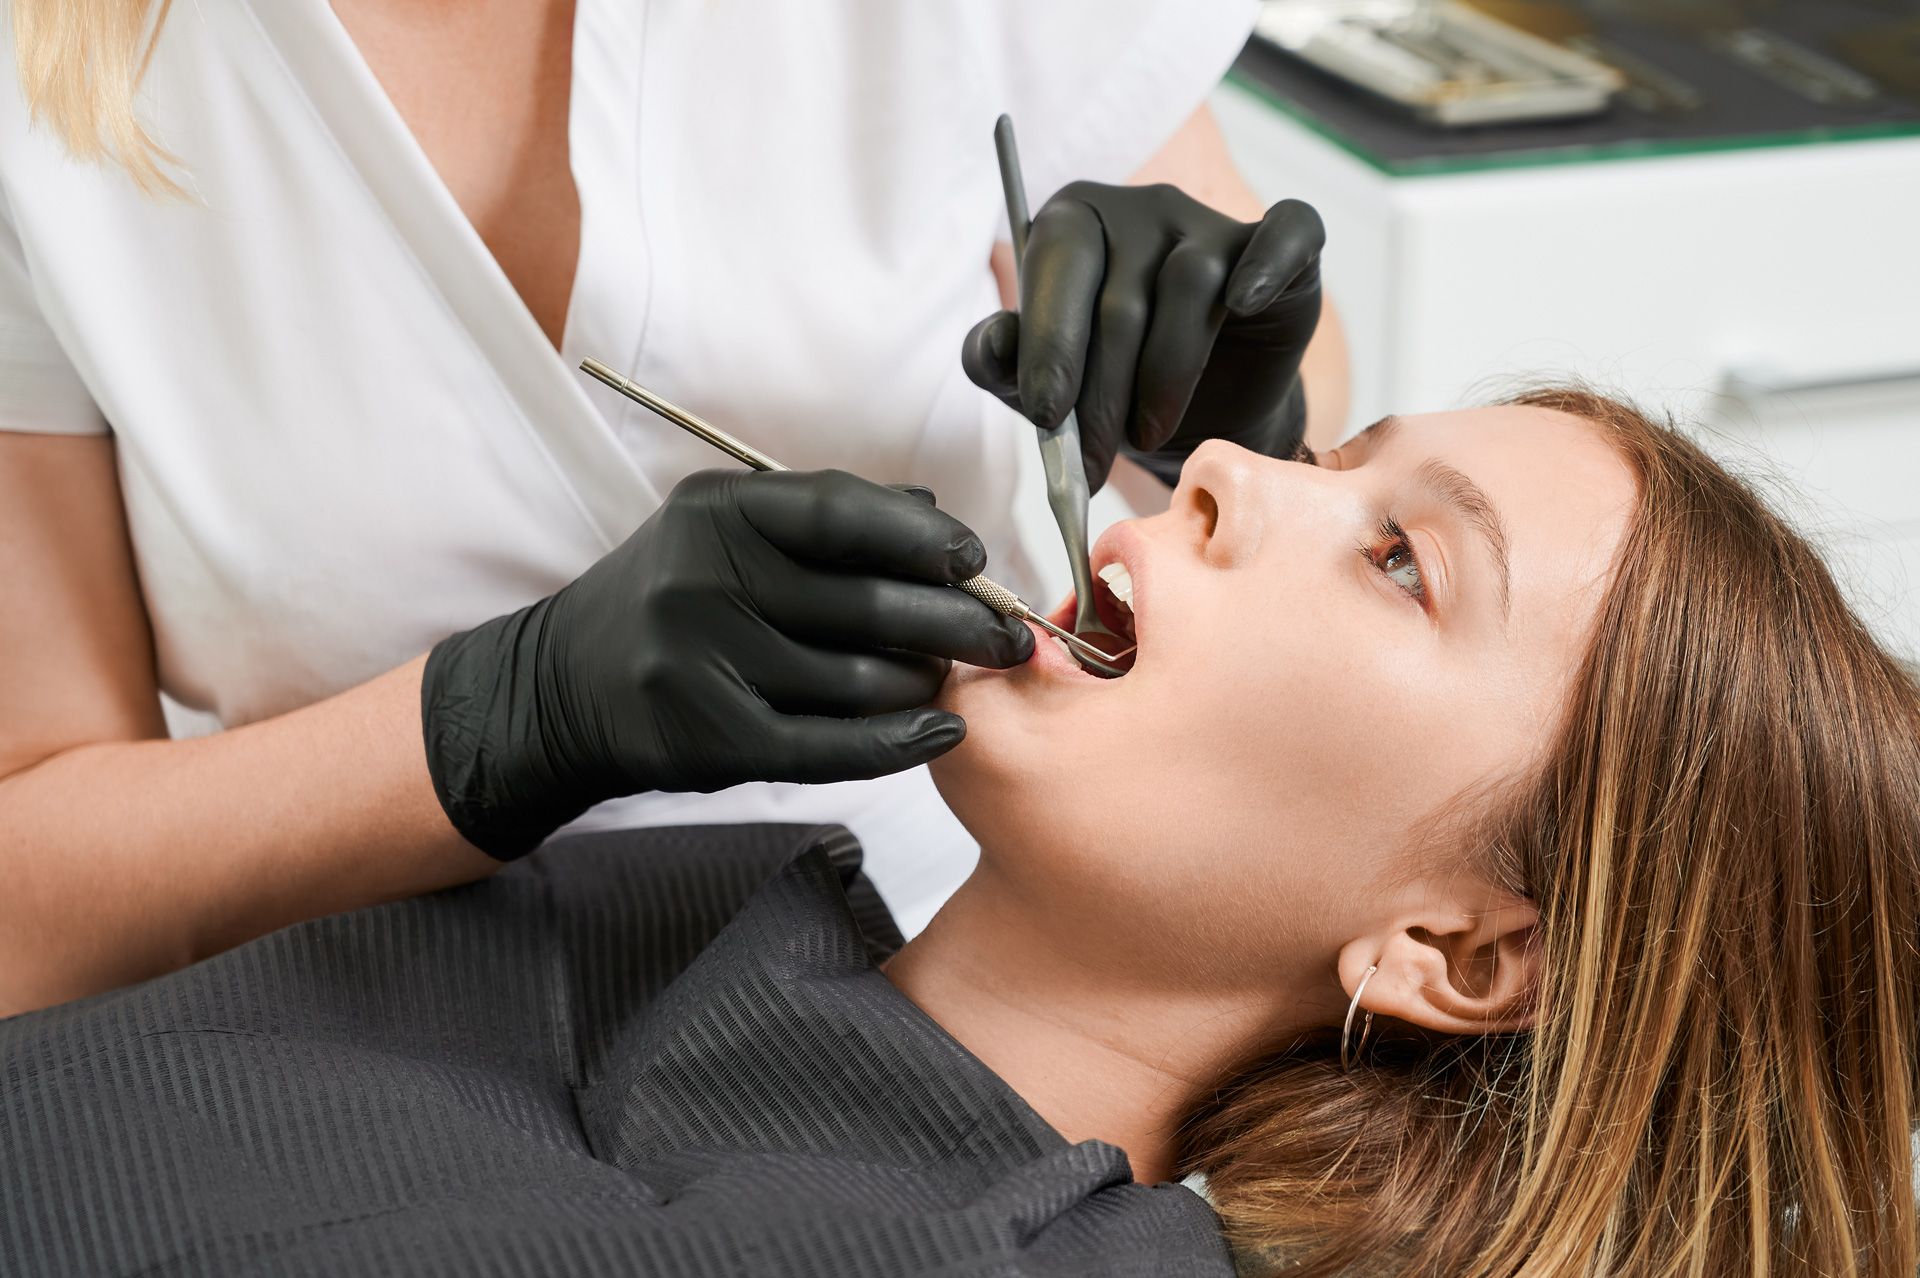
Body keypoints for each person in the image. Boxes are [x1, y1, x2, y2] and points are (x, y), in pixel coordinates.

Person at [5, 388, 1914, 1275]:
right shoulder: (660, 909)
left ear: (1461, 950)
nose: (1230, 463)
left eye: (1402, 558)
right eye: (1332, 459)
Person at [0, 0, 1353, 1014]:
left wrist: (1236, 410)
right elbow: (30, 901)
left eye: (1410, 561)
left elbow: (1285, 408)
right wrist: (491, 724)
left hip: (985, 997)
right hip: (383, 1071)